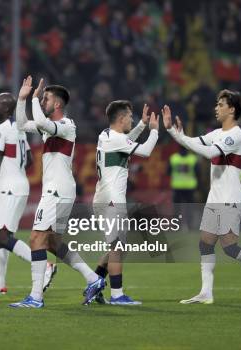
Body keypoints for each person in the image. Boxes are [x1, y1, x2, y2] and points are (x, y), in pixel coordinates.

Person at [164, 89, 241, 304]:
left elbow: (209, 153)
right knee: (205, 243)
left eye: (220, 104)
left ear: (232, 109)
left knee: (229, 247)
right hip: (214, 197)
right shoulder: (217, 133)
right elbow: (192, 141)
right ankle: (206, 293)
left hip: (230, 197)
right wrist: (172, 130)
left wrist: (179, 135)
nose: (216, 108)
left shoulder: (237, 135)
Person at [9, 76, 105, 308]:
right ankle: (94, 279)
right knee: (53, 243)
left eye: (46, 98)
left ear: (58, 104)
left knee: (36, 238)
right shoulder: (50, 127)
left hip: (57, 191)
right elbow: (22, 125)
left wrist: (32, 98)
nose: (43, 101)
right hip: (57, 190)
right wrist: (22, 99)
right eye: (42, 98)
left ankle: (35, 297)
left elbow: (42, 123)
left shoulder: (67, 125)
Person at [0, 92, 56, 295]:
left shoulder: (0, 129)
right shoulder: (20, 129)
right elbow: (28, 160)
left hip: (9, 188)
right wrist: (14, 167)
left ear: (7, 109)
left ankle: (45, 265)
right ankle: (0, 283)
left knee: (2, 236)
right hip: (16, 184)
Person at [91, 101, 160, 305]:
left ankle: (93, 286)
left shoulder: (105, 135)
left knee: (118, 247)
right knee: (117, 247)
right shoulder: (118, 139)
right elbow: (145, 151)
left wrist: (141, 125)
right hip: (113, 199)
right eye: (130, 116)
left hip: (103, 197)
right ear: (121, 119)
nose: (132, 118)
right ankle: (117, 295)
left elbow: (125, 141)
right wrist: (154, 131)